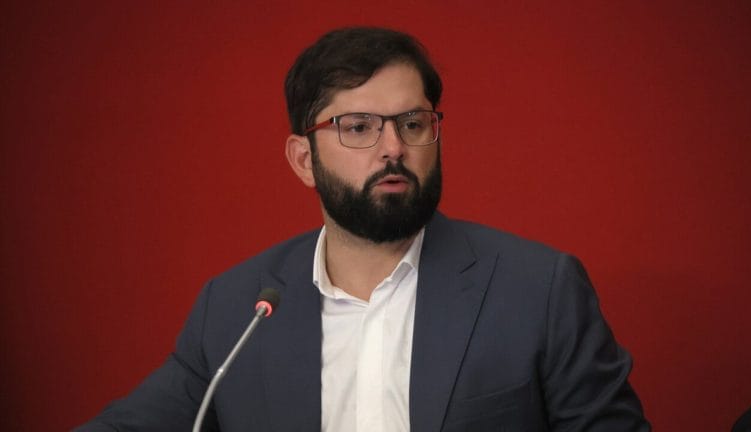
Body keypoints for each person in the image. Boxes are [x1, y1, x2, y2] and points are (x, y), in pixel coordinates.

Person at [76, 27, 650, 431]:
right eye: (358, 127)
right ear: (304, 160)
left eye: (412, 123)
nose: (393, 147)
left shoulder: (539, 290)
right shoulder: (234, 310)